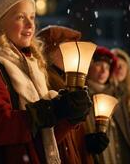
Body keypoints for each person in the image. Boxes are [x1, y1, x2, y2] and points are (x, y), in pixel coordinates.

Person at [0, 0, 91, 164]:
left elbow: (43, 140)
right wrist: (47, 111)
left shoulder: (32, 66)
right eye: (20, 17)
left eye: (32, 17)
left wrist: (68, 117)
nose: (30, 24)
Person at [36, 25, 95, 164]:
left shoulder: (71, 81)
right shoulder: (44, 80)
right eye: (66, 48)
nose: (74, 53)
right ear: (49, 51)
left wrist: (88, 142)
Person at [86, 46, 130, 164]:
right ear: (89, 67)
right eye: (99, 65)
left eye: (107, 67)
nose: (103, 71)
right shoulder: (84, 97)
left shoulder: (116, 96)